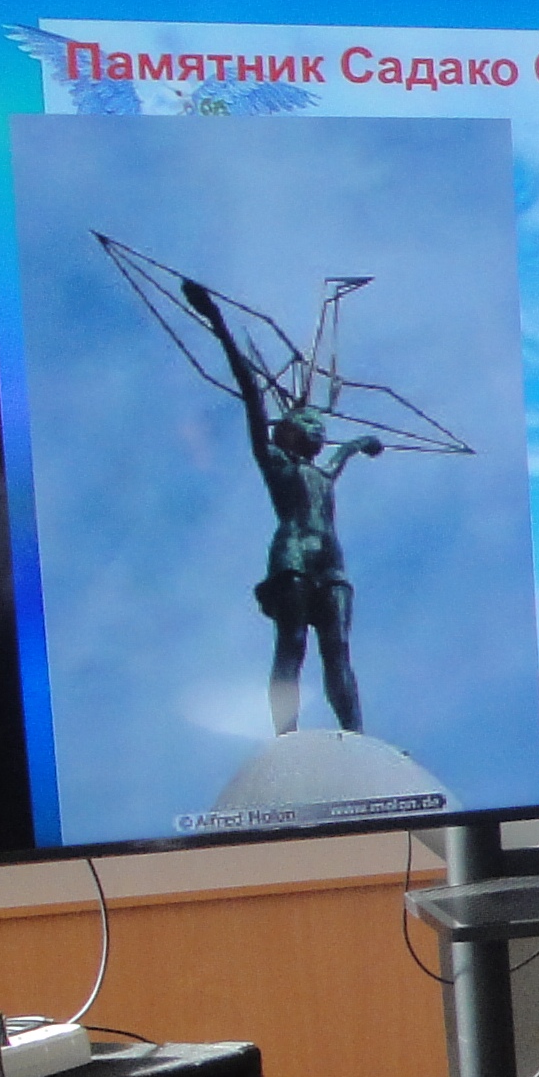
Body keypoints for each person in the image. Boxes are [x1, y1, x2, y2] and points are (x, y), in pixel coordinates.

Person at [187, 276, 380, 735]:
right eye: (308, 421)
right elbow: (252, 392)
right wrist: (217, 322)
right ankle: (286, 736)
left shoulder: (323, 472)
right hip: (292, 555)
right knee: (292, 644)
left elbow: (342, 453)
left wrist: (360, 443)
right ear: (287, 429)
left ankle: (357, 736)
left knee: (338, 651)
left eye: (320, 425)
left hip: (331, 562)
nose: (318, 428)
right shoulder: (274, 460)